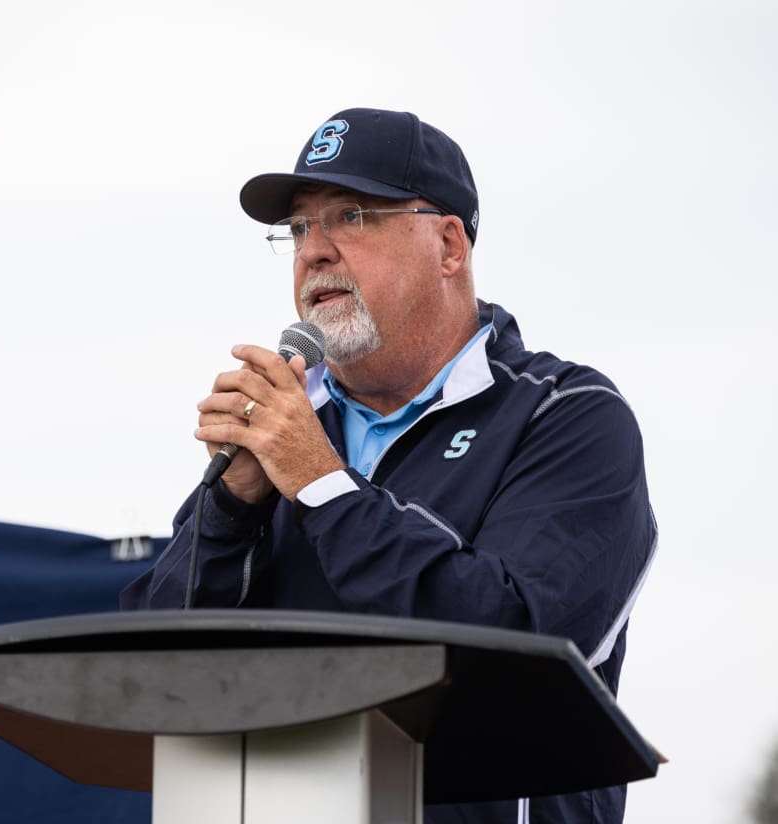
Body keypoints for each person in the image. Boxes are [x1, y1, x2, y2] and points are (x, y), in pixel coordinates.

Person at [121, 107, 657, 824]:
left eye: (352, 217)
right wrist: (231, 511)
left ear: (448, 244)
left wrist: (324, 485)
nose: (314, 251)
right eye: (300, 228)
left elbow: (521, 651)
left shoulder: (566, 416)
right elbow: (149, 680)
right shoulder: (282, 433)